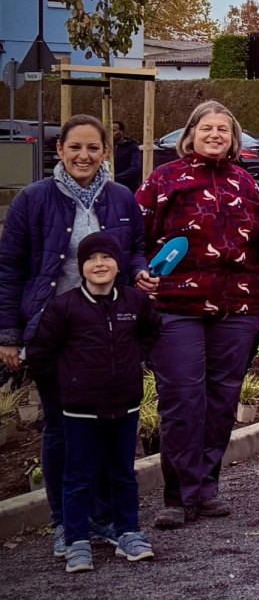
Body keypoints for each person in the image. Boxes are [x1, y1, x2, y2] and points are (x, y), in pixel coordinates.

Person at [0, 114, 146, 555]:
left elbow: (136, 248)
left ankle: (102, 519)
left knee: (108, 428)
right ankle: (67, 522)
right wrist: (9, 334)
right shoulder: (33, 199)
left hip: (106, 331)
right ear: (60, 150)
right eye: (75, 147)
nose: (84, 156)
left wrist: (139, 273)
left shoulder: (121, 198)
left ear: (106, 153)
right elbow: (9, 271)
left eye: (93, 148)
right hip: (53, 332)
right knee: (64, 430)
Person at [135, 101, 259, 528]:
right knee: (183, 401)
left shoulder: (246, 183)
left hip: (239, 307)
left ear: (234, 139)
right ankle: (177, 494)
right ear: (189, 133)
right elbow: (135, 238)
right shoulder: (164, 180)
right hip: (177, 306)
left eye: (224, 130)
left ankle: (205, 488)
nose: (216, 135)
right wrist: (139, 272)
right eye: (207, 128)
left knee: (221, 400)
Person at [25, 232, 160, 571]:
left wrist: (135, 361)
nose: (99, 264)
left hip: (125, 404)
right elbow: (42, 353)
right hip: (79, 408)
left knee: (122, 472)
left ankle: (128, 531)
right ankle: (76, 539)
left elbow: (151, 332)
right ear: (80, 266)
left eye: (107, 258)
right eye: (91, 259)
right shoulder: (64, 307)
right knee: (78, 475)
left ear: (119, 265)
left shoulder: (135, 302)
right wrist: (68, 382)